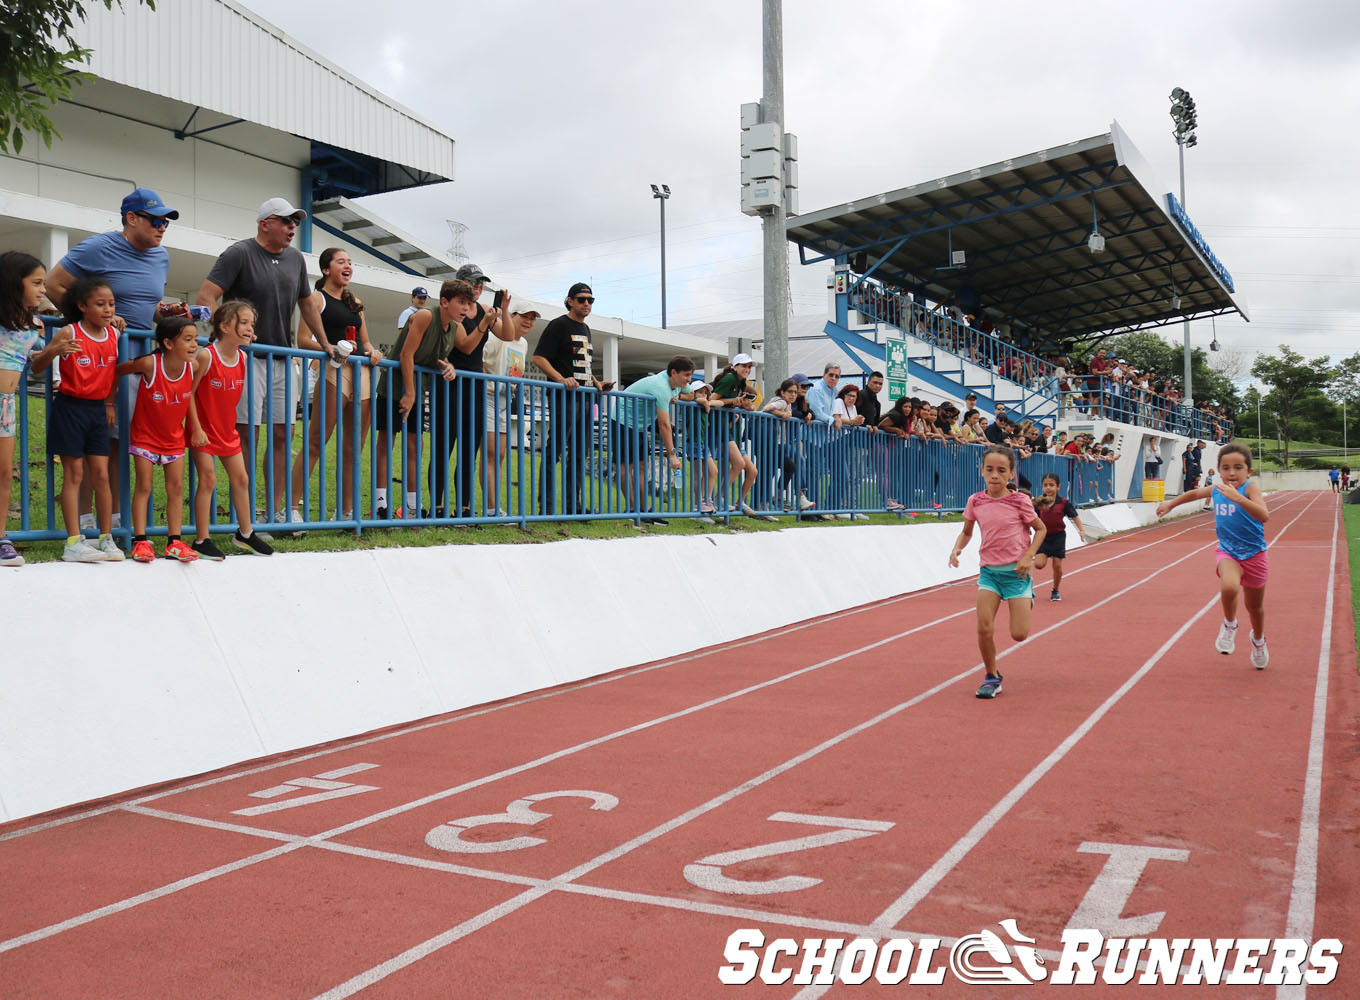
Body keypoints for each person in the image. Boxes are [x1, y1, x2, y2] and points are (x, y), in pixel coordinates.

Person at [196, 197, 336, 530]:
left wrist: (325, 343)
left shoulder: (295, 258)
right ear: (265, 223)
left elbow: (307, 304)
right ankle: (241, 517)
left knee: (283, 434)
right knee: (247, 435)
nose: (292, 227)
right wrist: (230, 336)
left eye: (295, 222)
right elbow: (205, 297)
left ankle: (272, 513)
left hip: (283, 360)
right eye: (286, 221)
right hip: (245, 360)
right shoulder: (239, 253)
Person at [46, 187, 178, 534]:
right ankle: (84, 520)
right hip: (102, 361)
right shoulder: (97, 247)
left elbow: (146, 306)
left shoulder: (161, 256)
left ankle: (116, 520)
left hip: (142, 360)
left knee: (124, 438)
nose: (162, 227)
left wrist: (169, 314)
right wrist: (92, 327)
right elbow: (53, 284)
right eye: (155, 220)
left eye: (166, 222)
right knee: (100, 437)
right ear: (131, 218)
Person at [287, 249, 384, 524]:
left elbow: (366, 342)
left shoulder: (356, 303)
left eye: (350, 263)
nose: (347, 266)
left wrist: (373, 352)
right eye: (341, 262)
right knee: (316, 441)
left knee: (353, 448)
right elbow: (303, 339)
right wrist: (331, 348)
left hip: (362, 374)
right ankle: (290, 509)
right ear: (326, 269)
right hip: (333, 370)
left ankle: (345, 512)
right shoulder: (316, 299)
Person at [33, 276, 124, 562]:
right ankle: (73, 542)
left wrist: (109, 403)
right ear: (82, 306)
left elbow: (114, 374)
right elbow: (37, 366)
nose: (108, 310)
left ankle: (106, 539)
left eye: (111, 304)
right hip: (70, 407)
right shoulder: (68, 332)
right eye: (100, 304)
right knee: (74, 474)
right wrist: (53, 351)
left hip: (97, 410)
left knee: (101, 475)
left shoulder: (114, 334)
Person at [1156, 443, 1270, 668]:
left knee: (1254, 608)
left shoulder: (1250, 490)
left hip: (1255, 555)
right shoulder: (1217, 489)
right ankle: (1229, 624)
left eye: (1238, 468)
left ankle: (1258, 640)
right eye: (1226, 468)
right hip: (1228, 552)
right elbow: (1194, 493)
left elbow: (1264, 515)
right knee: (1229, 587)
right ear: (1219, 471)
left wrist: (1239, 499)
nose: (1232, 473)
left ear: (1249, 471)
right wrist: (1171, 504)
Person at [948, 444, 1047, 699]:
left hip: (1017, 574)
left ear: (1011, 474)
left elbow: (1041, 529)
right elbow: (967, 532)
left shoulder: (1020, 501)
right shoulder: (975, 501)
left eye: (1001, 471)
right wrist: (957, 548)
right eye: (989, 469)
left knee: (1019, 634)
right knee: (984, 628)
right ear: (981, 470)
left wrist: (1028, 556)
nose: (994, 475)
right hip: (989, 573)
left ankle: (1027, 596)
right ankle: (992, 676)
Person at [373, 278, 476, 519]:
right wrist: (409, 393)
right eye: (461, 302)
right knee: (386, 442)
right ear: (445, 302)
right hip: (394, 386)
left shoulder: (455, 328)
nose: (466, 308)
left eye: (468, 304)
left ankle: (412, 506)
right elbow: (406, 354)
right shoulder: (425, 316)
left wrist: (448, 366)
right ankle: (380, 503)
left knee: (414, 445)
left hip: (417, 389)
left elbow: (438, 357)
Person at [186, 301, 273, 559]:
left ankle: (245, 533)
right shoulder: (206, 356)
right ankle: (201, 540)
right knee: (208, 480)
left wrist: (243, 335)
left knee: (242, 479)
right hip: (202, 431)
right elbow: (187, 393)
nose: (250, 329)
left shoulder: (243, 357)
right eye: (243, 323)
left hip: (227, 431)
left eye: (251, 324)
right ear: (224, 327)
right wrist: (195, 428)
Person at [116, 316, 200, 562]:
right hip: (145, 438)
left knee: (176, 488)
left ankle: (174, 542)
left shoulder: (192, 366)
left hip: (173, 439)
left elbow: (189, 394)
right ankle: (140, 541)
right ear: (168, 343)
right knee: (144, 486)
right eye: (188, 339)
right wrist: (109, 402)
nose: (194, 345)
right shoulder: (150, 364)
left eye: (196, 339)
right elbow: (118, 370)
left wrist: (196, 427)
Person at [0, 253, 60, 566]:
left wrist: (53, 349)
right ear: (13, 283)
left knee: (4, 473)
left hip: (6, 405)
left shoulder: (32, 325)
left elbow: (34, 358)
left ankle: (0, 537)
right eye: (36, 283)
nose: (43, 290)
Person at [532, 282, 610, 516]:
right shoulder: (558, 325)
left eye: (590, 300)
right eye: (581, 299)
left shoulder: (585, 329)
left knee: (578, 453)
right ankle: (546, 506)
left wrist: (596, 382)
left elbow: (581, 364)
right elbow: (539, 358)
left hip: (586, 397)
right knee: (554, 450)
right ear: (570, 301)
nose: (586, 304)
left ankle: (572, 506)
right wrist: (560, 379)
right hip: (563, 397)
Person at [448, 264, 515, 518]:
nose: (478, 287)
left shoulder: (485, 309)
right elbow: (465, 347)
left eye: (481, 283)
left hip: (476, 384)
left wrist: (503, 311)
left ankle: (464, 509)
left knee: (469, 451)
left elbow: (508, 335)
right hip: (452, 381)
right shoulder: (456, 310)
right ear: (461, 283)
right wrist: (485, 322)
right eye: (473, 282)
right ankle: (438, 508)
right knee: (445, 448)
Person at [613, 355, 694, 525]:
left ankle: (645, 509)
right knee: (626, 466)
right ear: (674, 373)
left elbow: (691, 394)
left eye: (690, 375)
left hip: (640, 425)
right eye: (686, 375)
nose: (689, 379)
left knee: (643, 465)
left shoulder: (676, 384)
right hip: (622, 419)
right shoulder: (661, 387)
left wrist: (678, 396)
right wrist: (672, 455)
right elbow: (664, 425)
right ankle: (632, 509)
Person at [482, 304, 537, 517]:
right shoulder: (495, 336)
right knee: (490, 453)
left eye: (532, 318)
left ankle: (495, 506)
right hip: (488, 395)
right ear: (511, 316)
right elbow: (479, 362)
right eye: (524, 316)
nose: (528, 321)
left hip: (506, 399)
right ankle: (491, 508)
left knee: (500, 454)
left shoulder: (523, 343)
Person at [1032, 472, 1086, 601]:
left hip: (1058, 537)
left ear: (1058, 487)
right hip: (1043, 537)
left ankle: (1055, 590)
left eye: (1051, 485)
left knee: (1057, 565)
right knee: (1038, 564)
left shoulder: (1063, 503)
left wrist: (1081, 530)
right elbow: (1032, 518)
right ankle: (1028, 585)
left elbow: (1075, 517)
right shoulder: (1039, 503)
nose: (1048, 488)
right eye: (1045, 485)